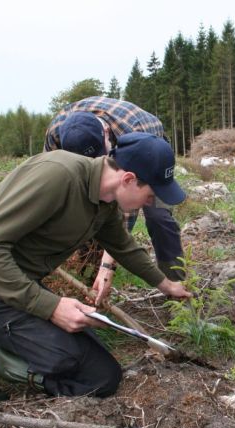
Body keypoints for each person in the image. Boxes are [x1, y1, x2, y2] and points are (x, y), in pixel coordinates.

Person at [0, 132, 191, 404]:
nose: (150, 203)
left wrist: (166, 284)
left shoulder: (103, 201)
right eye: (151, 194)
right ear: (128, 179)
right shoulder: (58, 176)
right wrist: (51, 307)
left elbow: (123, 246)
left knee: (103, 373)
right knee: (84, 374)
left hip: (19, 288)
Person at [44, 97, 185, 307]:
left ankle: (176, 289)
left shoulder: (135, 133)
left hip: (151, 154)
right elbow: (54, 178)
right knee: (88, 207)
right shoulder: (57, 132)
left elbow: (123, 218)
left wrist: (107, 267)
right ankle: (89, 284)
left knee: (159, 217)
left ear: (107, 135)